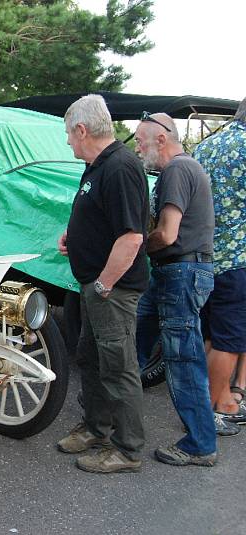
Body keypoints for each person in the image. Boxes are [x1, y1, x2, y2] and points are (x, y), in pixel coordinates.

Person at [56, 94, 148, 473]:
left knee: (118, 366)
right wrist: (73, 236)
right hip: (95, 285)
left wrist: (104, 285)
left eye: (68, 134)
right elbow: (101, 218)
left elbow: (132, 237)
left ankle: (127, 450)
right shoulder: (99, 165)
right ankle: (96, 428)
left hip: (111, 290)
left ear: (82, 129)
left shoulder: (121, 168)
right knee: (91, 359)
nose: (67, 142)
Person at [134, 112, 219, 466]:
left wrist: (135, 246)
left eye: (140, 142)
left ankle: (200, 444)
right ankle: (108, 411)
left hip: (181, 272)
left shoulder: (176, 171)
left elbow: (168, 233)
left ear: (161, 139)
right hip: (179, 271)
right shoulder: (186, 168)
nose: (137, 149)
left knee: (183, 360)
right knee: (135, 336)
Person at [194, 96, 246, 430]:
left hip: (204, 257)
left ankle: (219, 398)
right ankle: (215, 410)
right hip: (239, 258)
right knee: (228, 340)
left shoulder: (207, 146)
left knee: (210, 335)